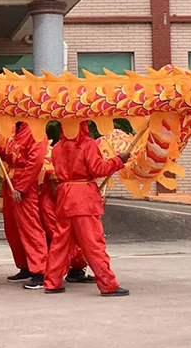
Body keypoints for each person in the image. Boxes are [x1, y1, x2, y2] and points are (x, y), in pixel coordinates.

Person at [44, 122, 130, 297]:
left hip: (65, 198)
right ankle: (108, 284)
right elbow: (99, 169)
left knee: (60, 244)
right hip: (83, 199)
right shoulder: (87, 144)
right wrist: (119, 160)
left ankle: (52, 282)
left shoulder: (57, 147)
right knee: (93, 244)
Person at [0, 122, 49, 289]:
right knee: (13, 229)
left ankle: (40, 270)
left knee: (30, 228)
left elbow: (35, 161)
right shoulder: (15, 130)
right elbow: (11, 157)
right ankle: (25, 266)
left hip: (24, 186)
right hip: (11, 182)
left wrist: (22, 187)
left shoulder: (36, 131)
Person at [39, 171, 92, 284]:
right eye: (56, 184)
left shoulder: (65, 197)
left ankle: (75, 271)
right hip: (57, 243)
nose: (59, 188)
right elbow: (56, 235)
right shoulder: (46, 205)